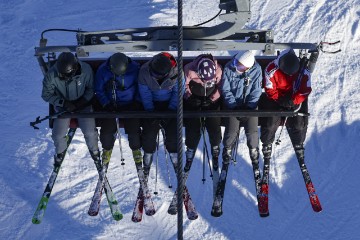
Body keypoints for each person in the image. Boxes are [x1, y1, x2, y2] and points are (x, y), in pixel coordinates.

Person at [41, 52, 100, 167]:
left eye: (67, 75)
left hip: (83, 104)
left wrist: (82, 101)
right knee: (58, 135)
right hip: (64, 106)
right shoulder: (52, 74)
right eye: (62, 75)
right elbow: (46, 94)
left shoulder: (85, 70)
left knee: (89, 132)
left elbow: (92, 88)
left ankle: (95, 151)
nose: (65, 77)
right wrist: (62, 102)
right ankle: (60, 152)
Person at [260, 48, 312, 163]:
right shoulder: (272, 69)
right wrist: (280, 100)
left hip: (294, 98)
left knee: (299, 123)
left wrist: (294, 100)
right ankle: (267, 143)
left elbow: (305, 90)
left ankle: (298, 142)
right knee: (270, 123)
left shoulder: (303, 71)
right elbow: (269, 89)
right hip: (277, 98)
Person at [94, 52, 142, 166]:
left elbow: (141, 86)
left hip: (130, 105)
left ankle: (136, 149)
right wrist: (106, 104)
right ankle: (107, 149)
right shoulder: (103, 70)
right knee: (106, 132)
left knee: (134, 131)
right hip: (112, 105)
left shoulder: (135, 68)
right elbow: (99, 90)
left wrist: (137, 101)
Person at [137, 52, 180, 174]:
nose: (154, 76)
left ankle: (174, 153)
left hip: (169, 105)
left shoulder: (176, 73)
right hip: (152, 104)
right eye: (153, 73)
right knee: (149, 130)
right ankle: (148, 152)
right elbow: (145, 94)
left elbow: (177, 92)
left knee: (173, 131)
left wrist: (171, 109)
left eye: (157, 75)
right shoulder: (145, 72)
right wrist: (151, 111)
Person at [183, 54, 223, 181]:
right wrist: (189, 97)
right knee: (193, 125)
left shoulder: (218, 70)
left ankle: (215, 149)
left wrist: (212, 99)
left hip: (211, 101)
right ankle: (190, 150)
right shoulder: (189, 70)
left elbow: (221, 87)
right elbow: (183, 86)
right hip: (194, 100)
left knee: (214, 125)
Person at [221, 50, 262, 164]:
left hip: (249, 106)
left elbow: (256, 91)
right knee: (231, 130)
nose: (236, 66)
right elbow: (226, 89)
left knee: (252, 131)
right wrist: (233, 107)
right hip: (233, 105)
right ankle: (228, 148)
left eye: (240, 66)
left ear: (247, 68)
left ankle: (253, 148)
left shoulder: (256, 70)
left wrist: (249, 108)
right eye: (235, 62)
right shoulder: (228, 68)